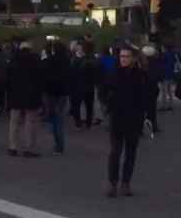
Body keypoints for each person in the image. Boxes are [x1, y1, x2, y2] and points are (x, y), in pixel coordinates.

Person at [106, 46, 147, 197]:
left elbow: (148, 94)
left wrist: (143, 113)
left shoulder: (141, 75)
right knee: (115, 152)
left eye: (127, 56)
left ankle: (126, 183)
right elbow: (104, 91)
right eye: (122, 56)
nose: (123, 59)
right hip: (117, 118)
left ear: (133, 58)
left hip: (134, 119)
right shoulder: (114, 73)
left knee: (130, 153)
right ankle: (113, 183)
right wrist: (109, 105)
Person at [7, 41, 43, 158]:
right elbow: (40, 79)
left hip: (15, 94)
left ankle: (13, 147)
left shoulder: (13, 59)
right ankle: (29, 148)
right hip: (31, 95)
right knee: (30, 122)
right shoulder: (35, 60)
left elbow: (8, 77)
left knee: (14, 121)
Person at [42, 39, 70, 155]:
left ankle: (58, 142)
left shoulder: (49, 61)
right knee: (59, 117)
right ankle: (59, 144)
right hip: (62, 92)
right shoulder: (67, 61)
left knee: (53, 117)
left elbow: (44, 75)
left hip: (50, 92)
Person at [69, 42, 98, 130]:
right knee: (85, 105)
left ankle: (81, 123)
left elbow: (72, 73)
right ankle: (83, 123)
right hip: (85, 86)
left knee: (83, 105)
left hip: (82, 86)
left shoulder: (74, 59)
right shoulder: (91, 59)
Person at [141, 45, 163, 133]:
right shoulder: (155, 63)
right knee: (152, 110)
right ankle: (153, 126)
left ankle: (141, 128)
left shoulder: (141, 65)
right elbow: (158, 76)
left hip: (144, 90)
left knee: (142, 110)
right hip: (152, 89)